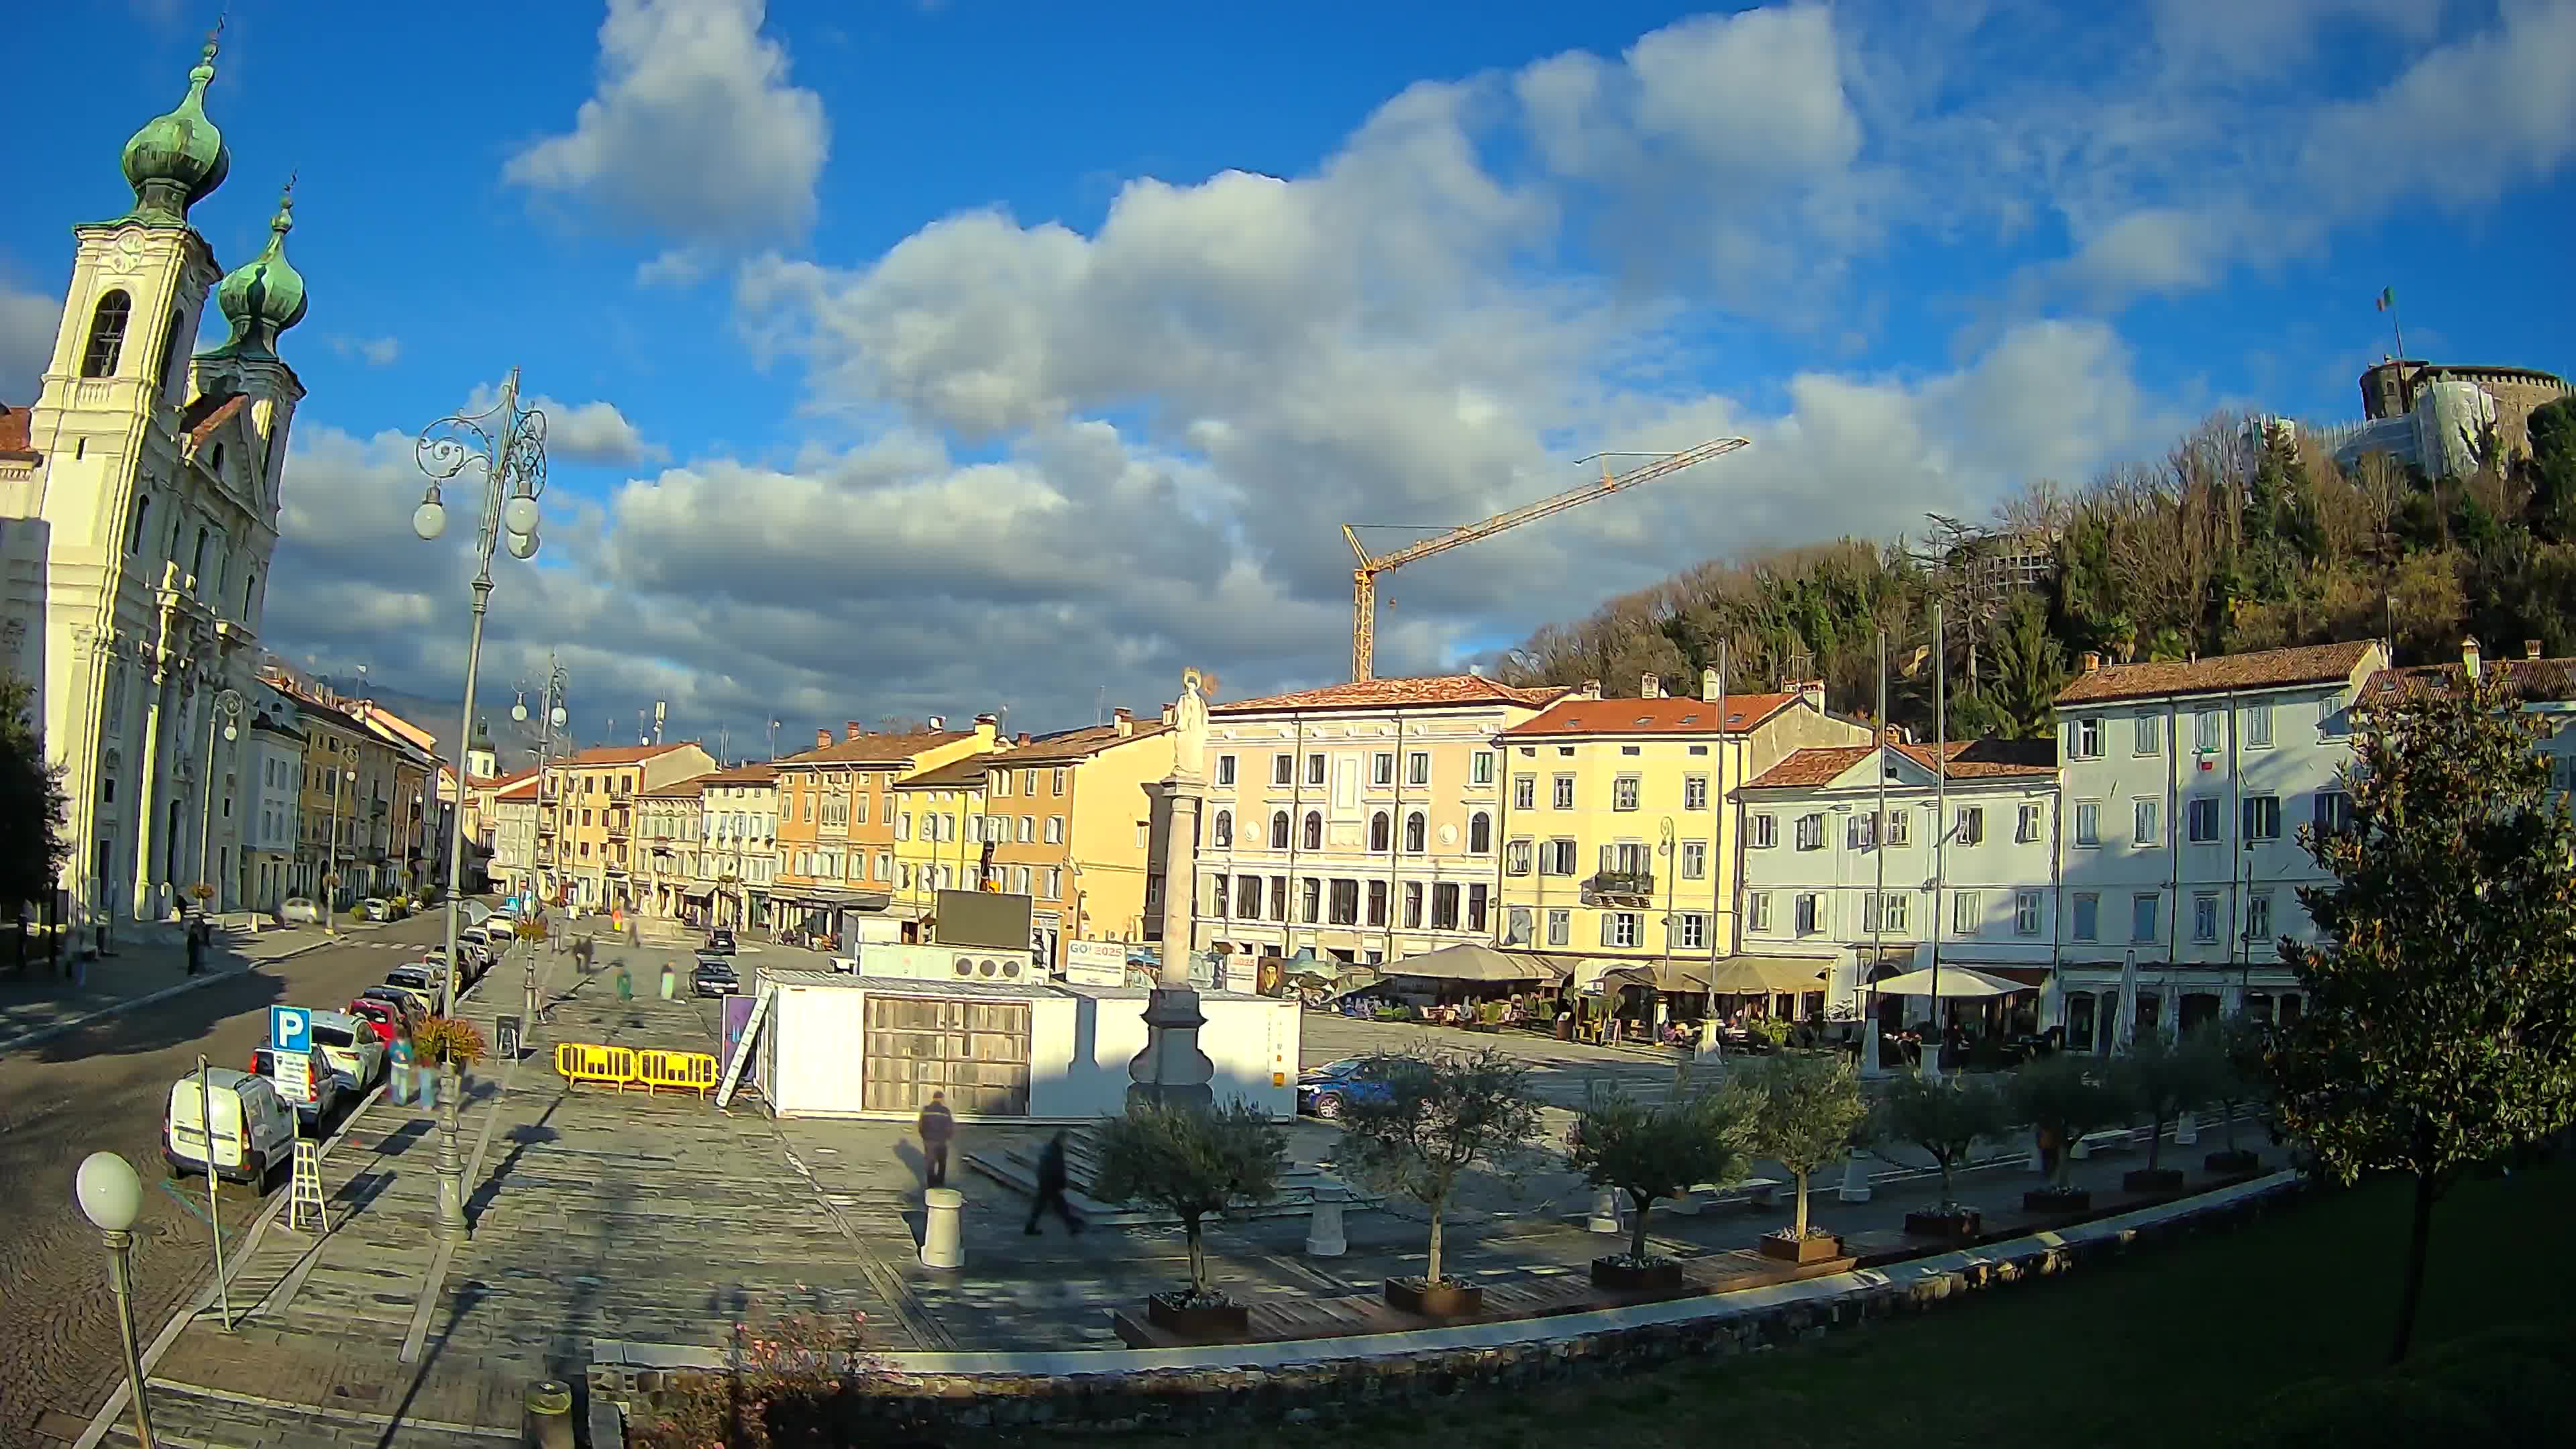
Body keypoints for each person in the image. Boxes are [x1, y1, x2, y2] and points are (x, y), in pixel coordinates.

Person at [1026, 1128, 1083, 1235]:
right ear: (1062, 1139)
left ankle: (1030, 1227)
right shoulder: (1056, 1151)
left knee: (1043, 1206)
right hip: (1051, 1183)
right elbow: (1058, 1169)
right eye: (1066, 1140)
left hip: (1045, 1182)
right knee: (1060, 1207)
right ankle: (1073, 1227)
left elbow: (1043, 1167)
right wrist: (1061, 1184)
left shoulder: (1050, 1148)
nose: (1067, 1143)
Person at [917, 1091, 955, 1189]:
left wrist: (925, 1137)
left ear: (933, 1098)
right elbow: (950, 1127)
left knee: (930, 1163)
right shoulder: (946, 1111)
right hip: (942, 1141)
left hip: (929, 1141)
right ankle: (940, 1183)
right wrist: (948, 1138)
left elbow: (921, 1126)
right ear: (942, 1099)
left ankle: (931, 1185)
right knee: (942, 1163)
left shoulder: (925, 1110)